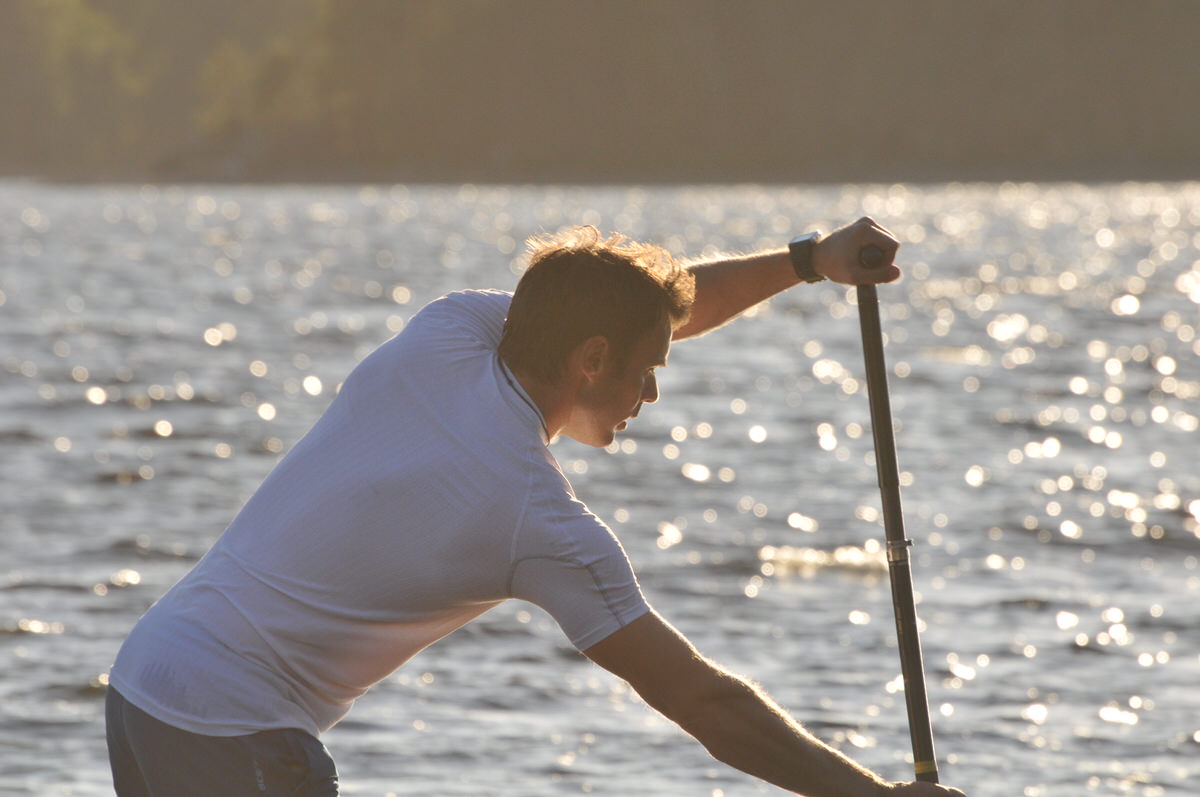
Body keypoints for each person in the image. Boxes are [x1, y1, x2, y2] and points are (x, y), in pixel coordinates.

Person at [106, 217, 966, 797]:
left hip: (143, 684)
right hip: (237, 734)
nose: (653, 392)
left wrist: (809, 260)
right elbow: (706, 704)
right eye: (647, 369)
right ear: (592, 360)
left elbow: (639, 306)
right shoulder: (538, 520)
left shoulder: (451, 331)